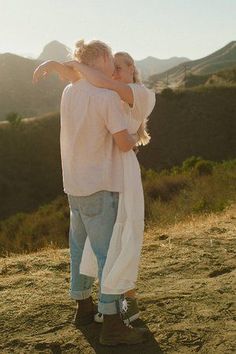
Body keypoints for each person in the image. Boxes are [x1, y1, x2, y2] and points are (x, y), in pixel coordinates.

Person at [33, 39, 148, 346]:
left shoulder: (69, 92)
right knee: (107, 256)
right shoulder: (106, 98)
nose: (113, 67)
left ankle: (83, 308)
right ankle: (112, 323)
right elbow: (123, 143)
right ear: (101, 62)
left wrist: (61, 67)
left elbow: (77, 80)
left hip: (74, 186)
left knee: (78, 249)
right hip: (100, 186)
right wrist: (137, 135)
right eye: (111, 61)